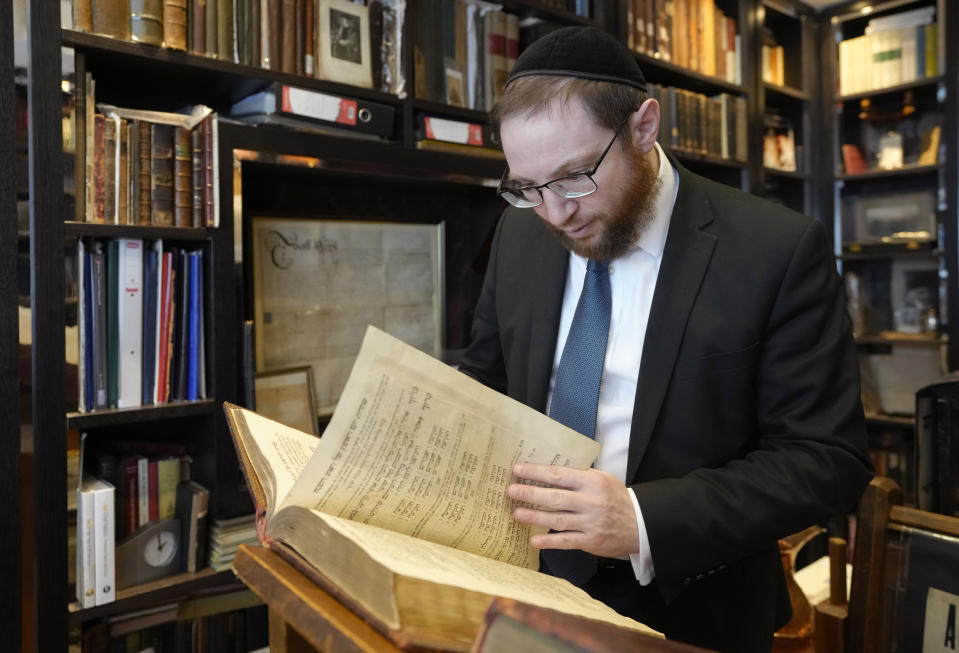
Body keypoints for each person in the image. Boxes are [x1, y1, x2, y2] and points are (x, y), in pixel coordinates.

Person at [457, 26, 873, 652]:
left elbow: (826, 459)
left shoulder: (777, 250)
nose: (554, 214)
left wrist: (642, 520)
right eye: (527, 188)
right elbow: (487, 375)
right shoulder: (521, 235)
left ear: (644, 126)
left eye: (573, 178)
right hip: (523, 588)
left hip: (691, 608)